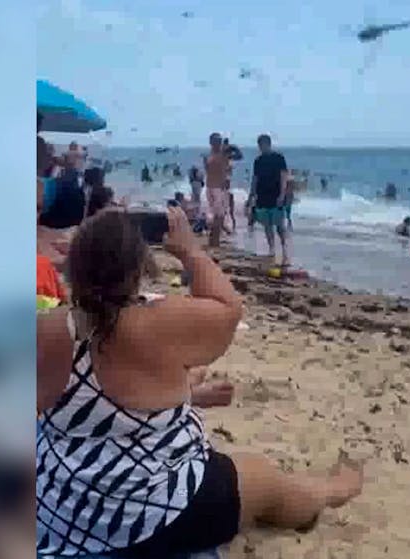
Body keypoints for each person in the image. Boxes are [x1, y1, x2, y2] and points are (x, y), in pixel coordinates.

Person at [36, 209, 363, 558]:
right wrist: (190, 251)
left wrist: (190, 393)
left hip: (66, 506)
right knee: (264, 480)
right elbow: (228, 308)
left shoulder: (47, 328)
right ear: (138, 268)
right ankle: (331, 491)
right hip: (152, 513)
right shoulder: (157, 322)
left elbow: (92, 398)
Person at [250, 134, 290, 265]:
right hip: (262, 196)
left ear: (268, 144)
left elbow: (284, 177)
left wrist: (282, 194)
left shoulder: (279, 158)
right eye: (259, 145)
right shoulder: (258, 161)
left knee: (279, 225)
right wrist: (252, 195)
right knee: (267, 225)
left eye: (263, 145)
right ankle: (271, 248)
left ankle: (284, 249)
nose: (261, 148)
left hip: (276, 195)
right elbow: (255, 179)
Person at [204, 133, 232, 248]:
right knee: (216, 214)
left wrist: (231, 147)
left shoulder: (224, 154)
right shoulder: (209, 155)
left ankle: (214, 238)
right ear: (211, 142)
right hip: (210, 187)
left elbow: (239, 156)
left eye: (219, 141)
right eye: (216, 141)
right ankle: (214, 238)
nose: (218, 143)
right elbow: (207, 170)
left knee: (220, 215)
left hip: (219, 188)